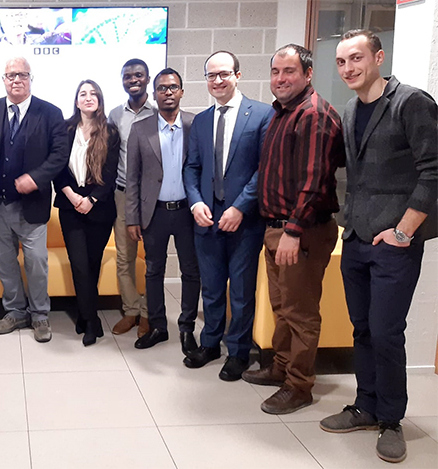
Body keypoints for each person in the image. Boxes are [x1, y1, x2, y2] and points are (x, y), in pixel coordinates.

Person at [319, 30, 438, 464]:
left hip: (394, 243)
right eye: (341, 61)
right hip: (356, 237)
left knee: (386, 332)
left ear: (378, 57)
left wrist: (404, 232)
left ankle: (391, 419)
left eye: (356, 58)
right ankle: (365, 406)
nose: (348, 68)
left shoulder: (411, 102)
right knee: (363, 329)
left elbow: (433, 171)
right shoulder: (351, 109)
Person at [242, 45, 344, 415]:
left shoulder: (313, 115)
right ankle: (281, 368)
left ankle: (299, 386)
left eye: (289, 71)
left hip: (300, 232)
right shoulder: (283, 113)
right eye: (276, 72)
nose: (281, 79)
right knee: (282, 307)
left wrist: (293, 231)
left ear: (308, 74)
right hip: (278, 228)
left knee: (300, 314)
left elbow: (314, 181)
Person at [182, 51, 273, 380]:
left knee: (241, 291)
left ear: (238, 75)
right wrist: (195, 203)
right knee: (211, 287)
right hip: (206, 219)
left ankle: (238, 352)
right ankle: (210, 343)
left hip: (244, 221)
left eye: (224, 74)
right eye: (211, 75)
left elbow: (264, 169)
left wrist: (239, 207)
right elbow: (192, 168)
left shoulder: (262, 114)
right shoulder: (201, 120)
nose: (217, 80)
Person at [0, 57, 68, 343]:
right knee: (3, 262)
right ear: (3, 80)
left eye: (22, 74)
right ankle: (15, 310)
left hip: (31, 206)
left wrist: (37, 177)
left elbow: (59, 154)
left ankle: (40, 314)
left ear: (31, 78)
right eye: (10, 75)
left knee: (36, 262)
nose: (16, 80)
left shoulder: (50, 113)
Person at [125, 68, 201, 351]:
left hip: (187, 213)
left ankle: (187, 327)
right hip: (153, 213)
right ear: (154, 93)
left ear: (181, 91)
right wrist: (132, 218)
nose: (168, 92)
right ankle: (158, 326)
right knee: (153, 271)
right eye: (162, 88)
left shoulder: (196, 124)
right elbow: (132, 178)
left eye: (173, 87)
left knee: (190, 271)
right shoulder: (140, 128)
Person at [54, 79, 119, 346]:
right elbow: (56, 167)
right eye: (83, 93)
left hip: (100, 208)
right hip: (70, 207)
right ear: (76, 101)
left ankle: (84, 314)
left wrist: (91, 199)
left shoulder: (110, 131)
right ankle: (92, 322)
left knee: (92, 264)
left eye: (93, 93)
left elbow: (111, 172)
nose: (88, 97)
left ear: (100, 100)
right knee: (79, 265)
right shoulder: (65, 129)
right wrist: (72, 195)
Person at [107, 59, 154, 339]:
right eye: (128, 76)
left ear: (147, 79)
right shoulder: (115, 115)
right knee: (125, 257)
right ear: (122, 80)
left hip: (154, 197)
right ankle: (131, 310)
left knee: (152, 257)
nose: (133, 80)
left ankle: (148, 313)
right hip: (123, 194)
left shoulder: (159, 112)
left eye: (138, 75)